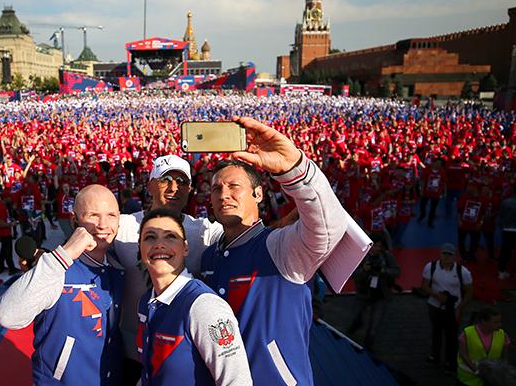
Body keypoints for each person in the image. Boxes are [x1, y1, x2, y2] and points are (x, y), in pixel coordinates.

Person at [200, 117, 358, 386]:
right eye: (216, 188)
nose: (223, 194)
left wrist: (294, 168)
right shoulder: (208, 255)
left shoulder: (282, 248)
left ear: (259, 194)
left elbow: (329, 226)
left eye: (234, 186)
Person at [0, 185, 125, 386]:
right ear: (74, 220)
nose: (103, 224)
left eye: (111, 215)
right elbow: (7, 316)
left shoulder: (120, 267)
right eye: (93, 215)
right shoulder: (56, 268)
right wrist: (63, 256)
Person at [114, 154, 224, 384]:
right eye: (165, 180)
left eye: (182, 181)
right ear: (150, 185)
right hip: (128, 351)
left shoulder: (203, 230)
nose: (174, 187)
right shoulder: (122, 225)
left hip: (178, 355)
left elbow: (248, 235)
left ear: (190, 189)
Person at [137, 208, 252, 385]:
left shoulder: (204, 305)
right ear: (140, 249)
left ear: (185, 248)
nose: (159, 244)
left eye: (170, 236)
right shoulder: (146, 303)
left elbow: (237, 381)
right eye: (150, 237)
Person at [421, 243, 474, 374]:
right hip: (434, 306)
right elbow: (424, 286)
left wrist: (459, 307)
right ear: (440, 254)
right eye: (444, 254)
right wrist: (436, 296)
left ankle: (451, 361)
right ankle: (435, 356)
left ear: (454, 256)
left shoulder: (463, 272)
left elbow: (469, 292)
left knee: (452, 335)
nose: (446, 257)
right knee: (436, 332)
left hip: (454, 308)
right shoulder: (430, 267)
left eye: (449, 254)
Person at [346, 233, 401, 351]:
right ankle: (355, 326)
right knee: (356, 315)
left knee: (375, 324)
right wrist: (364, 271)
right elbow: (353, 275)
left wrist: (384, 271)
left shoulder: (387, 257)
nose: (376, 249)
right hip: (363, 294)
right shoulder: (361, 257)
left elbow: (397, 271)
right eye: (373, 246)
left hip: (381, 295)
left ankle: (368, 344)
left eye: (378, 246)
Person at [457, 307, 509, 386]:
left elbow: (504, 356)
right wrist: (477, 371)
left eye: (500, 321)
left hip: (491, 378)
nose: (500, 325)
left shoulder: (502, 334)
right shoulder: (467, 333)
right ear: (483, 321)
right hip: (467, 379)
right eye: (496, 322)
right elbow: (463, 354)